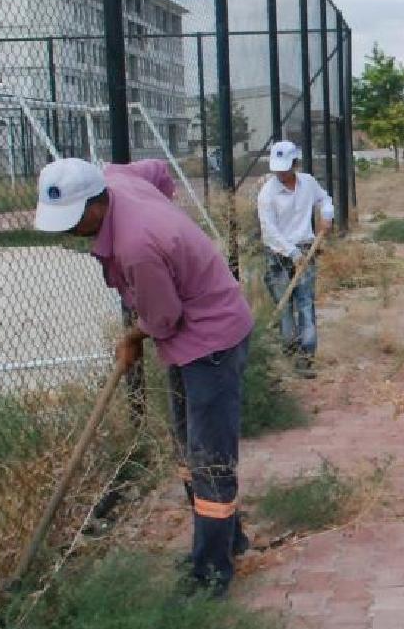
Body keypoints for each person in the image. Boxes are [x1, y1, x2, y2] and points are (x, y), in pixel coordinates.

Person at [33, 157, 254, 596]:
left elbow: (164, 317)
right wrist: (169, 220)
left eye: (75, 219)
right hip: (188, 341)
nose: (70, 230)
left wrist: (133, 336)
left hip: (211, 341)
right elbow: (157, 170)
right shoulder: (116, 178)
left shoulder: (137, 247)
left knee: (209, 458)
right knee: (187, 446)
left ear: (98, 204)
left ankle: (212, 573)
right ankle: (228, 540)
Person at [257, 140, 335, 378]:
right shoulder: (267, 193)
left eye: (285, 167)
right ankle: (289, 351)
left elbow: (325, 199)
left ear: (295, 163)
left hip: (306, 249)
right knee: (284, 308)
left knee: (305, 304)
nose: (281, 173)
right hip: (278, 255)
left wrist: (327, 216)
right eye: (277, 168)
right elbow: (269, 231)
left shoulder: (308, 183)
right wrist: (292, 253)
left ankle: (306, 357)